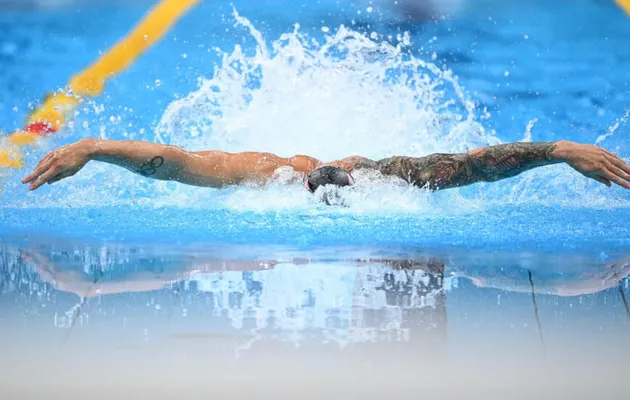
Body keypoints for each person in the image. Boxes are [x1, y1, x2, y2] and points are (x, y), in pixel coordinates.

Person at [21, 138, 630, 195]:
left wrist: (559, 152)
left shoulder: (386, 178)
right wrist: (93, 148)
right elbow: (176, 162)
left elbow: (474, 166)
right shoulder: (266, 175)